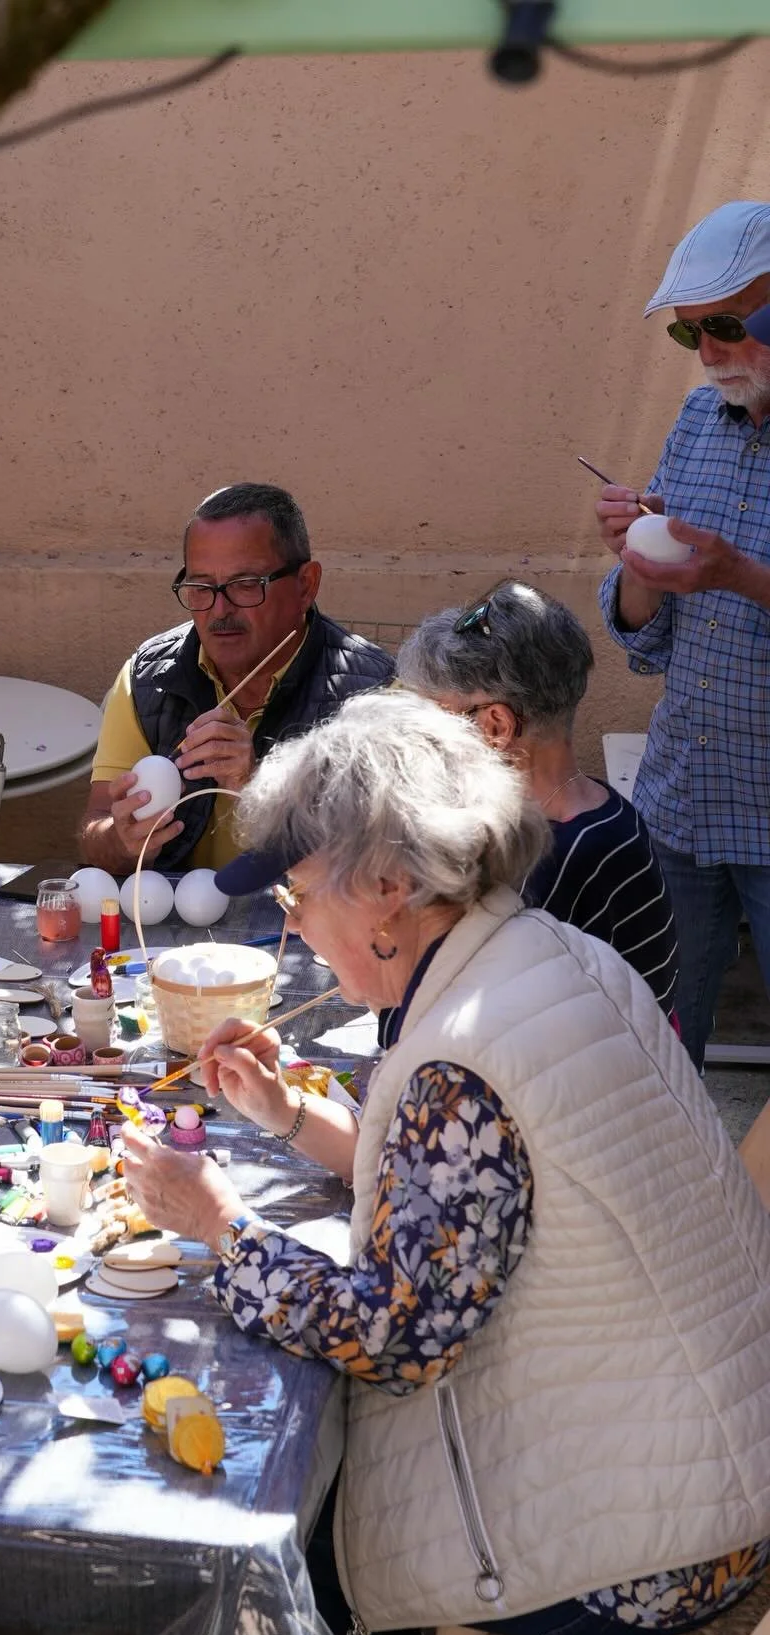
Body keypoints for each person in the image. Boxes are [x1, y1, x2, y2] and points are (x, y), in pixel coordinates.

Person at [121, 693, 770, 1635]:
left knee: (302, 1535)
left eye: (299, 889)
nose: (288, 916)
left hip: (661, 1546)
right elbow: (465, 1196)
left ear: (385, 885)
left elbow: (396, 1338)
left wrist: (217, 1227)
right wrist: (292, 1120)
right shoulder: (545, 958)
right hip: (715, 1465)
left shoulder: (456, 1061)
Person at [595, 200, 770, 1066]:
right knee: (654, 1059)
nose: (707, 355)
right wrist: (636, 555)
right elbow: (646, 635)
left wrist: (743, 577)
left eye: (729, 325)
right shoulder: (701, 422)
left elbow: (729, 584)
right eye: (687, 334)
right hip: (684, 802)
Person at [78, 482, 393, 876]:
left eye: (246, 586)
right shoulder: (149, 677)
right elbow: (97, 828)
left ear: (306, 585)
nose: (219, 610)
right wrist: (120, 838)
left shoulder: (373, 695)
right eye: (201, 587)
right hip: (169, 930)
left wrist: (255, 785)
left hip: (300, 931)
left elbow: (386, 870)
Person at [397, 580, 677, 1013]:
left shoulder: (569, 855)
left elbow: (491, 1014)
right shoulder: (587, 811)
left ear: (495, 727)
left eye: (435, 719)